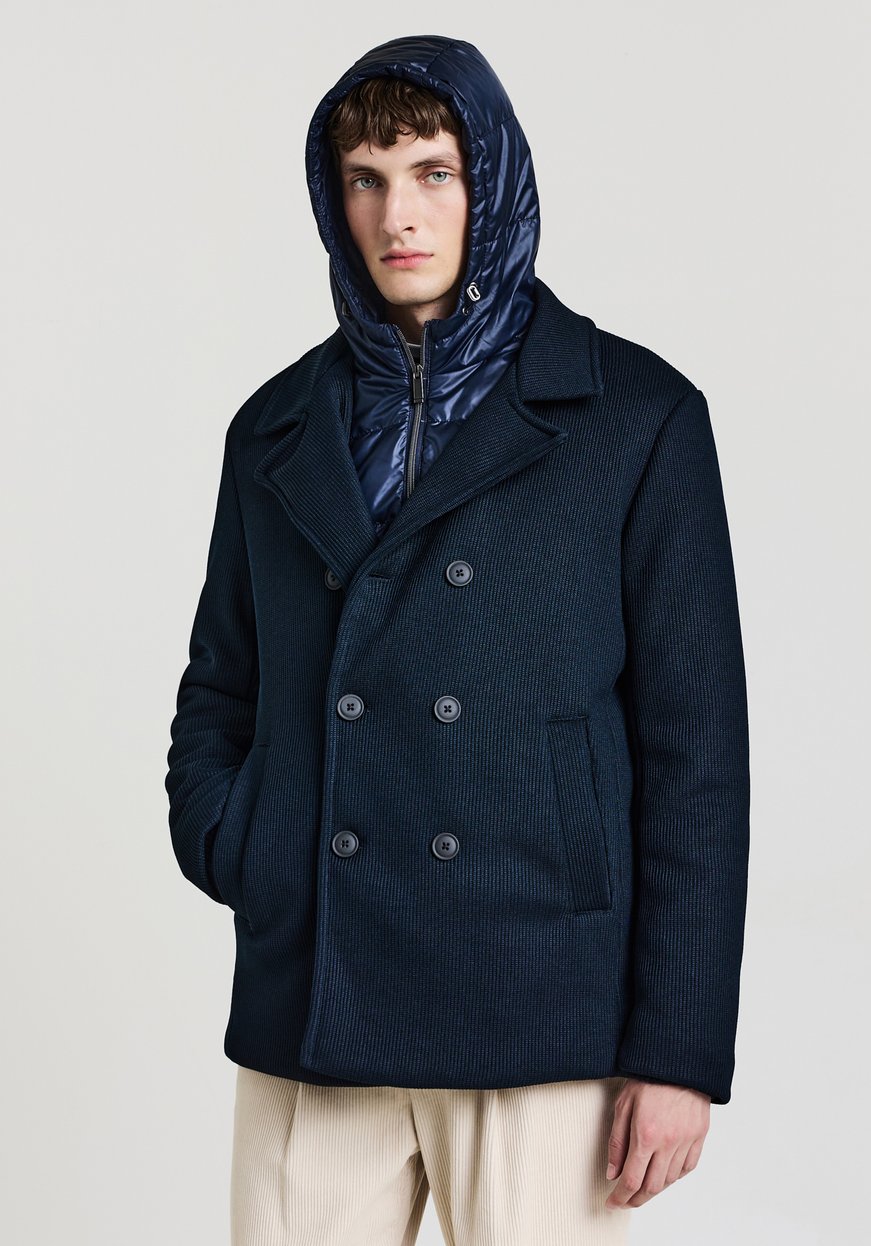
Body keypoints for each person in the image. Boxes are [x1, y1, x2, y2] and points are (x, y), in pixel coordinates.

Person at [165, 34, 751, 1246]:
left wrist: (678, 1049)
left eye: (434, 172)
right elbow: (222, 685)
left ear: (494, 181)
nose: (399, 215)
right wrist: (251, 844)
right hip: (317, 982)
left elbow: (698, 756)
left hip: (537, 998)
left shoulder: (637, 419)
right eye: (366, 179)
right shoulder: (273, 429)